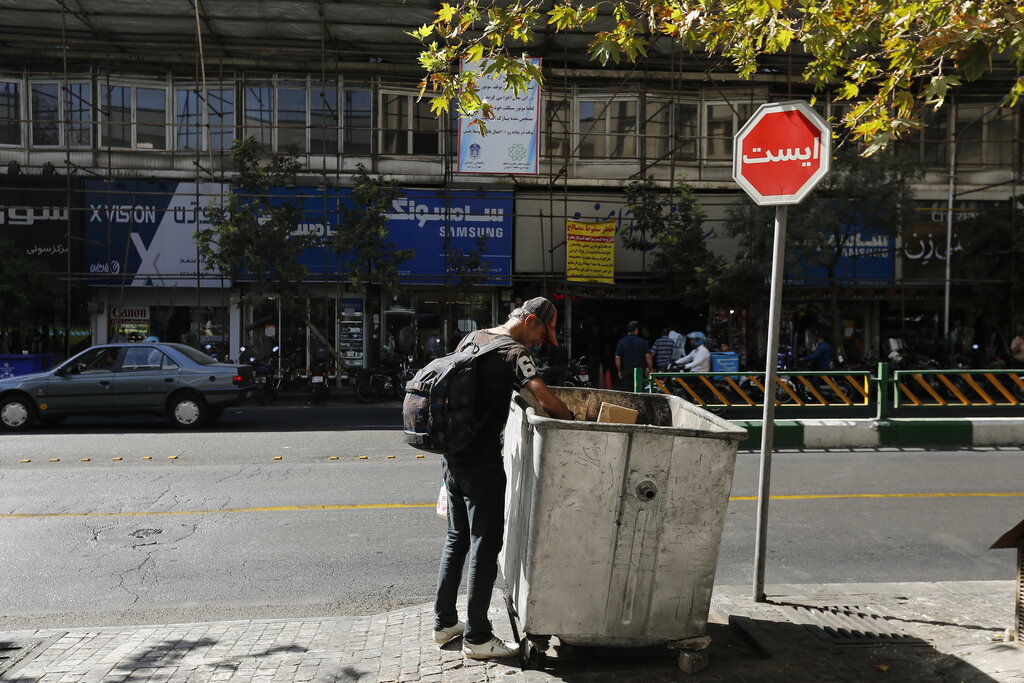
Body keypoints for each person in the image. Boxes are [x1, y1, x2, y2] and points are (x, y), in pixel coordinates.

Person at [433, 297, 573, 660]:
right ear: (529, 320)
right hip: (480, 461)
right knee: (485, 543)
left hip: (454, 455)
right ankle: (478, 637)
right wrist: (572, 418)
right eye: (543, 331)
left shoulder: (474, 337)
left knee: (457, 538)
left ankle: (444, 622)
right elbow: (544, 397)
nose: (542, 340)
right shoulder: (513, 353)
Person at [614, 320, 654, 390]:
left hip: (627, 370)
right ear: (636, 330)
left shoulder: (622, 342)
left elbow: (617, 357)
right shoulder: (642, 341)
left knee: (628, 391)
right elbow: (648, 356)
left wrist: (619, 370)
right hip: (640, 370)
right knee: (639, 391)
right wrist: (650, 369)